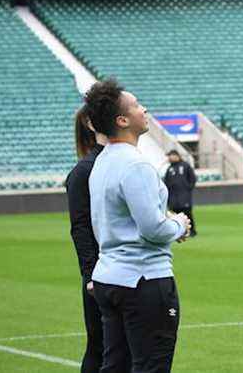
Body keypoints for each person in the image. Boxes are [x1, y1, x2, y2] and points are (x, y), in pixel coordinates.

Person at [85, 79, 191, 373]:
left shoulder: (102, 162)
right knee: (150, 366)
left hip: (110, 277)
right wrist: (179, 225)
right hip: (143, 279)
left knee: (115, 366)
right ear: (122, 120)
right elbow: (153, 230)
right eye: (136, 105)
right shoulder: (136, 165)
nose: (144, 109)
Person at [65, 108, 129, 373]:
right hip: (102, 273)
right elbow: (80, 228)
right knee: (101, 347)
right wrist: (90, 273)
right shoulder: (85, 171)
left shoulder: (123, 162)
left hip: (127, 271)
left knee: (124, 349)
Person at [163, 150, 197, 237]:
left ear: (176, 156)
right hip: (173, 197)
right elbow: (166, 182)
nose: (169, 158)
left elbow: (192, 178)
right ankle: (178, 231)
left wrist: (188, 188)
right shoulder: (169, 169)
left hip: (184, 196)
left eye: (171, 155)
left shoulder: (185, 166)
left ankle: (192, 230)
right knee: (175, 214)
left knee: (187, 213)